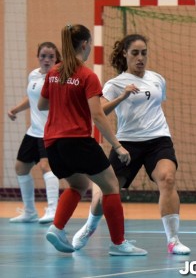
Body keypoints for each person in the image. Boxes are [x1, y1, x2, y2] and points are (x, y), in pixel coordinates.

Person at [72, 33, 191, 255]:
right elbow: (101, 112)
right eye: (135, 53)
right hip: (127, 142)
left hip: (158, 140)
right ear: (125, 54)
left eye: (144, 53)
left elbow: (154, 106)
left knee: (168, 178)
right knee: (107, 191)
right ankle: (89, 226)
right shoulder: (114, 84)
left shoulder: (157, 79)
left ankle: (173, 240)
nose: (140, 57)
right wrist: (123, 97)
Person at [38, 24, 147, 255]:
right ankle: (119, 244)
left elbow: (42, 105)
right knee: (110, 186)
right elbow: (97, 114)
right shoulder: (87, 75)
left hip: (52, 143)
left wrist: (64, 98)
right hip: (77, 140)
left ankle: (57, 228)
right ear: (86, 44)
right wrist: (118, 146)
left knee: (79, 184)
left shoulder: (54, 72)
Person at [8, 42, 61, 224]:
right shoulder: (33, 75)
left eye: (51, 57)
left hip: (50, 131)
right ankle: (30, 211)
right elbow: (32, 98)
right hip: (34, 131)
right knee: (20, 168)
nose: (46, 60)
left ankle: (53, 210)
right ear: (38, 56)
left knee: (47, 167)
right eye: (43, 56)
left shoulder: (57, 78)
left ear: (56, 59)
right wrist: (15, 109)